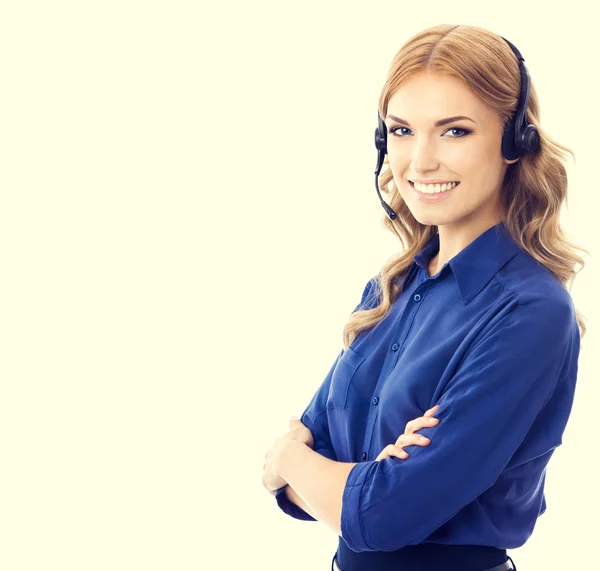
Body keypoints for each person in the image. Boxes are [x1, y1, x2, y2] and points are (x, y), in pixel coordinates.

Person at [264, 23, 587, 571]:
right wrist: (338, 478)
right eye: (402, 130)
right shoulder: (389, 289)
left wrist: (296, 462)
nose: (420, 161)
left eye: (455, 131)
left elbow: (380, 517)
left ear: (514, 142)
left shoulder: (530, 312)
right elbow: (286, 490)